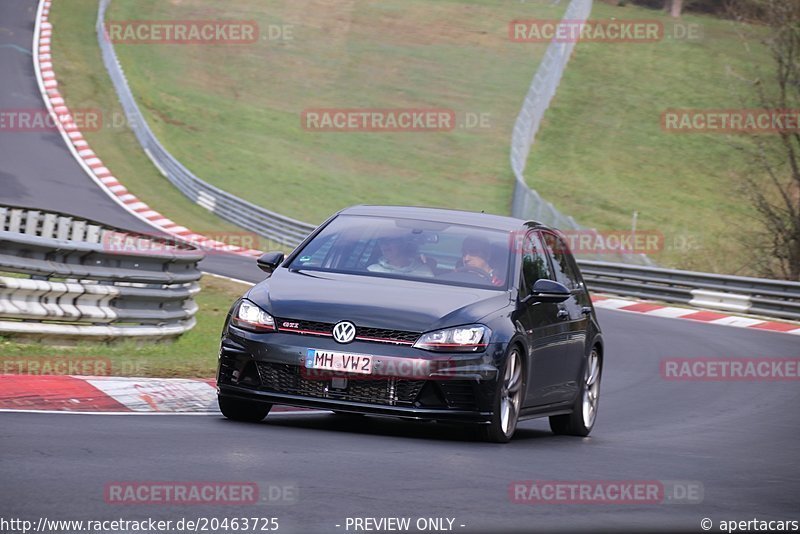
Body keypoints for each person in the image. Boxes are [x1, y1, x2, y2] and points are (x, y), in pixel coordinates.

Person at [367, 233, 434, 277]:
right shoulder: (371, 270)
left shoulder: (424, 272)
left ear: (403, 244)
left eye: (390, 241)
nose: (384, 245)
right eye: (382, 241)